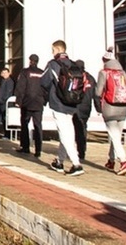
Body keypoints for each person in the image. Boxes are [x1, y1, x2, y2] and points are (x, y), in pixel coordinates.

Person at [40, 39, 84, 176]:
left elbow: (44, 81)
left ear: (58, 50)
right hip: (71, 103)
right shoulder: (73, 64)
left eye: (53, 50)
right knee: (68, 132)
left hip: (58, 103)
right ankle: (59, 162)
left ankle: (76, 164)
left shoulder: (53, 64)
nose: (52, 53)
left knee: (65, 134)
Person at [94, 47, 126, 175]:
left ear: (105, 61)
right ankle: (111, 161)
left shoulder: (104, 73)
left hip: (110, 108)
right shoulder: (122, 73)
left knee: (115, 137)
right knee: (116, 135)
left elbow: (97, 92)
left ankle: (123, 162)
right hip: (123, 108)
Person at [14, 54, 46, 157]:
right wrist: (44, 101)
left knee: (24, 124)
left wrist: (18, 101)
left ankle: (25, 147)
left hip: (27, 103)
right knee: (38, 126)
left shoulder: (25, 72)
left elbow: (20, 87)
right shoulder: (42, 73)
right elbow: (46, 88)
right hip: (38, 103)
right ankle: (38, 150)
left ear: (30, 61)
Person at [72, 59, 96, 161]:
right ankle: (82, 150)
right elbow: (96, 93)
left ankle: (76, 150)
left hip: (76, 106)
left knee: (75, 128)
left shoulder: (75, 77)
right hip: (87, 107)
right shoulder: (90, 78)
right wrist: (98, 107)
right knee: (83, 127)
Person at [0, 67, 14, 137]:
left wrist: (2, 99)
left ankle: (7, 135)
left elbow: (8, 93)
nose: (4, 74)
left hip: (5, 103)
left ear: (9, 73)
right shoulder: (1, 81)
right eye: (3, 73)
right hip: (0, 102)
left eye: (5, 73)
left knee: (5, 118)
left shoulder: (10, 82)